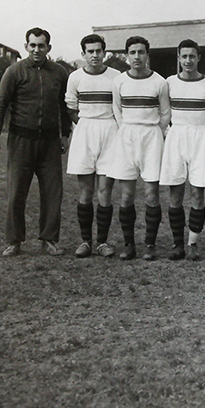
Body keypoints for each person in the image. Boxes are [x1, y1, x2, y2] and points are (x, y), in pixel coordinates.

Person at [0, 27, 71, 257]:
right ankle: (14, 241)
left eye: (41, 45)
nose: (36, 49)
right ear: (26, 46)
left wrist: (65, 134)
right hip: (21, 140)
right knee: (16, 193)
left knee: (53, 193)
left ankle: (49, 239)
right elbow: (0, 104)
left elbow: (65, 106)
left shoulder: (59, 73)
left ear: (48, 48)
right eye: (32, 45)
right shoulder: (14, 71)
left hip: (50, 142)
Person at [109, 36, 170, 260]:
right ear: (127, 55)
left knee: (152, 195)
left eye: (141, 52)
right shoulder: (119, 81)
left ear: (147, 55)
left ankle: (150, 245)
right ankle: (129, 245)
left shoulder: (159, 82)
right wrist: (129, 130)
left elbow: (165, 115)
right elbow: (117, 111)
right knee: (126, 196)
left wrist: (152, 132)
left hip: (151, 138)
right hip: (127, 138)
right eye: (132, 52)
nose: (137, 57)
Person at [65, 34, 121, 258]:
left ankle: (102, 242)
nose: (95, 55)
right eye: (90, 51)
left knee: (105, 191)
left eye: (99, 51)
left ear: (104, 52)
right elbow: (71, 107)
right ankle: (85, 241)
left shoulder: (116, 77)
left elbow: (120, 106)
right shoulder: (75, 77)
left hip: (110, 132)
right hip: (85, 132)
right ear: (83, 54)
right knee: (85, 191)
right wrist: (84, 125)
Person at [161, 39, 205, 261]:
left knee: (197, 192)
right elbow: (164, 114)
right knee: (175, 192)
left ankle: (192, 243)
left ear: (198, 58)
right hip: (176, 137)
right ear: (179, 58)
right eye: (184, 56)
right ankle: (177, 244)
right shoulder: (169, 83)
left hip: (200, 137)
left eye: (192, 56)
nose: (188, 60)